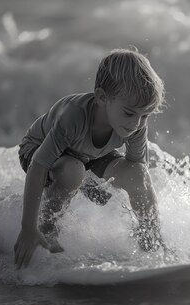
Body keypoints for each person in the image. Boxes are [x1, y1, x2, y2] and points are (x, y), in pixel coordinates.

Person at [14, 48, 166, 269]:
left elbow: (138, 172)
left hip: (87, 156)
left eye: (145, 115)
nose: (137, 123)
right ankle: (47, 231)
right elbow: (39, 164)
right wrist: (28, 228)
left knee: (137, 173)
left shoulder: (134, 122)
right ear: (103, 98)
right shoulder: (73, 116)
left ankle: (152, 243)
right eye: (130, 113)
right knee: (73, 171)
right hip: (36, 151)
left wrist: (118, 193)